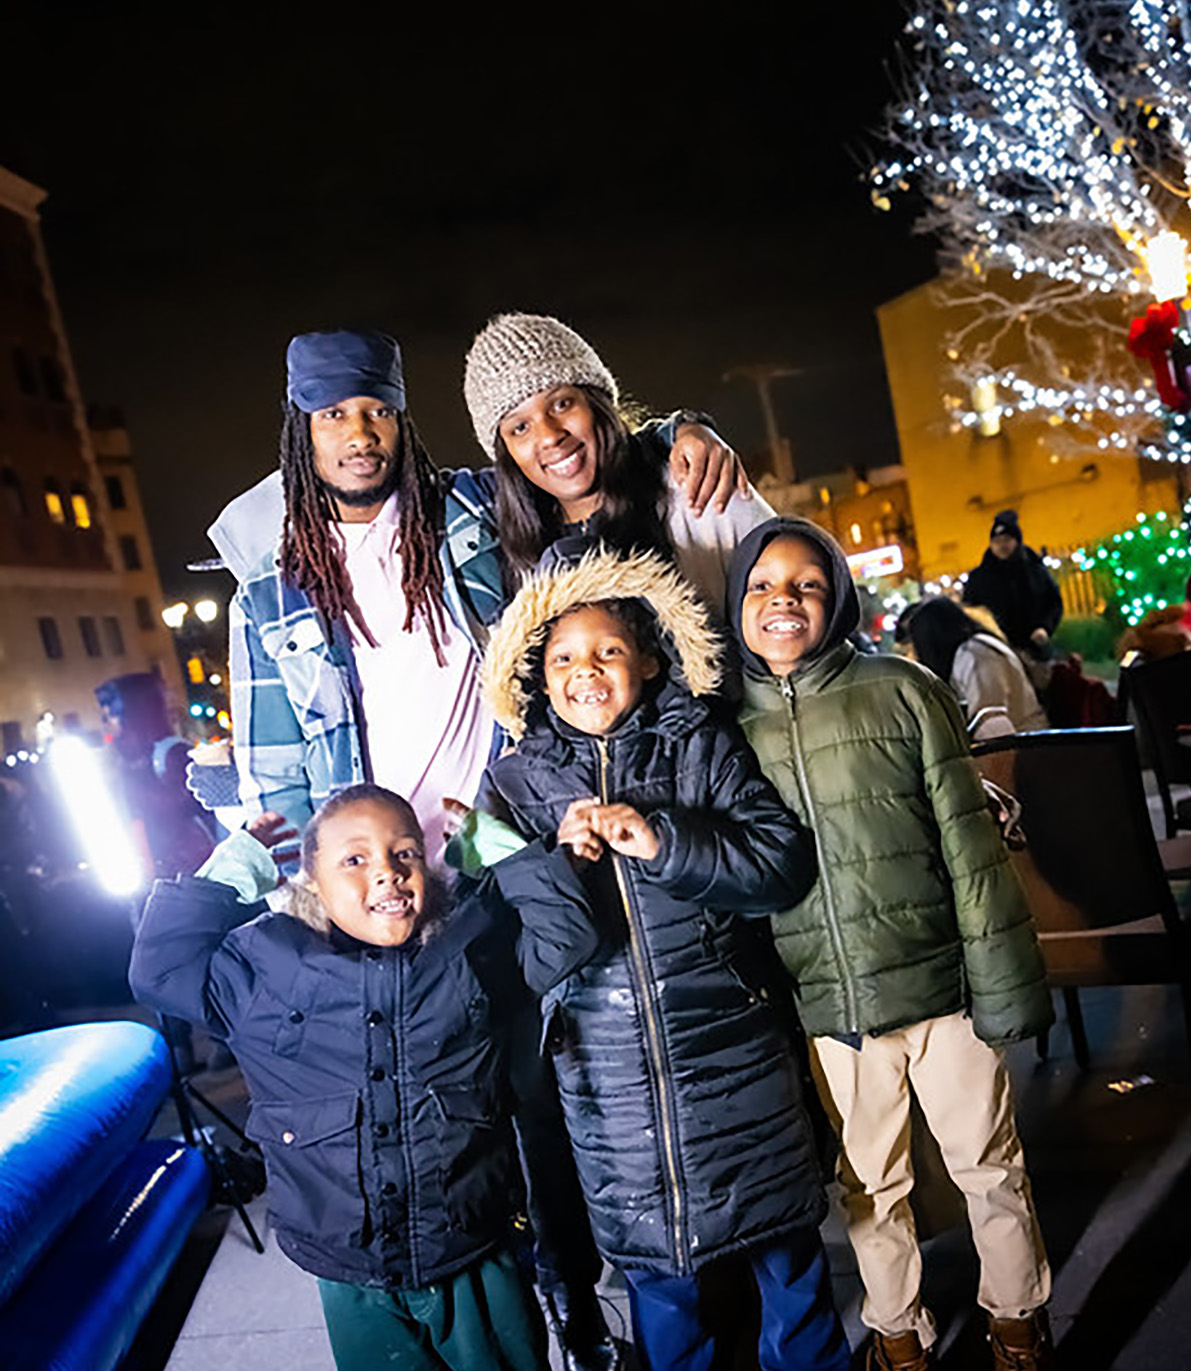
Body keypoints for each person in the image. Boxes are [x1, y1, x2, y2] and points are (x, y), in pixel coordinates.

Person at [209, 327, 744, 1370]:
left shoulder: (465, 513)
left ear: (402, 420)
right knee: (453, 1125)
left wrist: (685, 429)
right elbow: (272, 764)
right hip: (379, 898)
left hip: (499, 857)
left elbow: (581, 465)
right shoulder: (271, 588)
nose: (358, 436)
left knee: (553, 1098)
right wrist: (304, 904)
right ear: (302, 432)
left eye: (374, 411)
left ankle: (589, 1319)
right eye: (332, 417)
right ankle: (527, 1311)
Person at [476, 546, 851, 1371]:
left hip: (734, 1052)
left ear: (647, 658)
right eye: (565, 657)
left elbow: (778, 862)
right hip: (605, 1080)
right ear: (537, 676)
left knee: (786, 1261)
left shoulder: (698, 745)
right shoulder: (512, 785)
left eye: (608, 650)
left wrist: (663, 839)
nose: (588, 671)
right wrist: (555, 869)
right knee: (661, 1281)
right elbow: (501, 942)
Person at [728, 517, 1055, 1371]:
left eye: (805, 581)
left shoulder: (902, 688)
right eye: (761, 585)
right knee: (869, 1185)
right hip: (831, 1007)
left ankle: (1017, 1321)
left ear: (835, 595)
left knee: (986, 1162)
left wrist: (1002, 980)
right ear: (735, 604)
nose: (782, 600)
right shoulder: (725, 724)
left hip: (942, 987)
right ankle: (897, 1332)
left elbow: (968, 846)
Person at [130, 784, 600, 1371]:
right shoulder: (265, 970)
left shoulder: (469, 951)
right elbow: (160, 970)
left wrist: (505, 854)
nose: (387, 872)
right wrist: (228, 873)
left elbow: (568, 935)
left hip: (470, 1252)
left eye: (405, 853)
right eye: (354, 859)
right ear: (310, 878)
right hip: (349, 1271)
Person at [463, 311, 773, 614]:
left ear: (597, 404)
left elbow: (795, 600)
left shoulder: (699, 489)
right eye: (520, 428)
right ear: (507, 453)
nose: (549, 436)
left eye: (562, 404)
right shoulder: (512, 560)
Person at [895, 596, 1049, 740]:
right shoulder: (975, 649)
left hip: (1024, 749)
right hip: (1022, 744)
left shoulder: (976, 654)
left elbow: (988, 721)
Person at [963, 509, 1063, 656]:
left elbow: (1053, 602)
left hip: (1034, 648)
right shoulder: (979, 578)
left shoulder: (1035, 570)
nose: (1002, 546)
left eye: (1007, 540)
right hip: (994, 652)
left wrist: (1044, 628)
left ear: (1017, 542)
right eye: (997, 541)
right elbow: (970, 611)